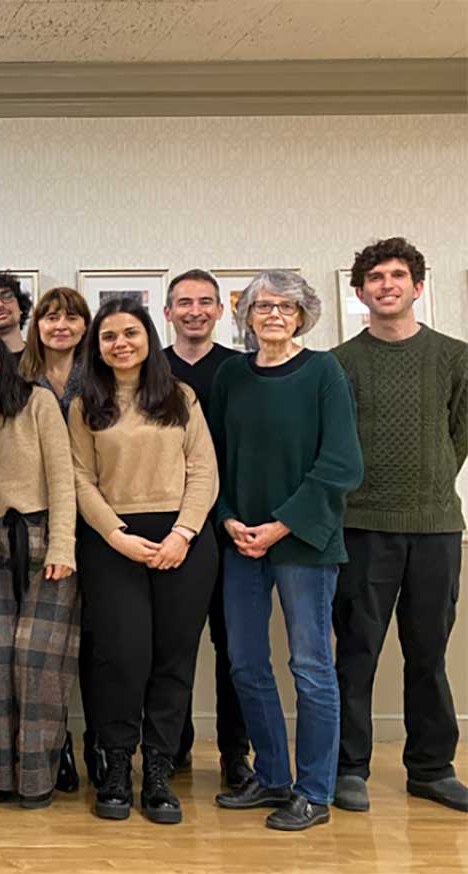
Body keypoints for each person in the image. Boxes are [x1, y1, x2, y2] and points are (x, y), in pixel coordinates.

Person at [210, 271, 362, 831]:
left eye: (286, 306)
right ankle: (272, 777)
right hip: (239, 542)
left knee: (311, 667)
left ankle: (314, 792)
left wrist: (278, 525)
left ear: (302, 316)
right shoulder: (231, 376)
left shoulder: (324, 372)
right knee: (246, 663)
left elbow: (343, 464)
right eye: (262, 305)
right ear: (246, 315)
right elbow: (214, 458)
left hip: (305, 540)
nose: (274, 314)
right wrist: (227, 518)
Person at [69, 297, 218, 826]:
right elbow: (79, 479)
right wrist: (115, 534)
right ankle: (115, 770)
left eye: (130, 333)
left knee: (172, 662)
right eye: (109, 336)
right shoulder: (86, 403)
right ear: (98, 347)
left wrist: (183, 532)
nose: (120, 344)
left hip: (184, 541)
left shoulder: (179, 397)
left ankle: (157, 772)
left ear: (148, 338)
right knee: (120, 659)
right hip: (113, 543)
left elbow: (203, 471)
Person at [332, 238, 468, 815]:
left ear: (417, 286)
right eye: (375, 278)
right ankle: (348, 768)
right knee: (357, 652)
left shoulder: (456, 357)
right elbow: (333, 446)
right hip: (361, 527)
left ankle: (432, 769)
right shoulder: (338, 364)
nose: (386, 285)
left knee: (428, 652)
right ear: (360, 291)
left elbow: (460, 435)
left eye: (398, 276)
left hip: (435, 527)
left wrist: (432, 482)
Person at [0, 314, 78, 810]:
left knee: (35, 659)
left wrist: (64, 547)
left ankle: (37, 777)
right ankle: (0, 771)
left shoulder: (37, 400)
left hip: (47, 542)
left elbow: (63, 479)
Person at [161, 269, 251, 787]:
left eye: (205, 302)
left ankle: (235, 754)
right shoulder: (151, 370)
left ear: (220, 311)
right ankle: (173, 746)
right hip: (171, 530)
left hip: (234, 528)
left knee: (235, 648)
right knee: (174, 647)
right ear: (168, 313)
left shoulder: (242, 370)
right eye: (184, 302)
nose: (194, 310)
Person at [17, 284, 91, 789]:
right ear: (36, 325)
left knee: (85, 645)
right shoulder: (17, 378)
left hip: (97, 520)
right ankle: (52, 745)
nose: (60, 326)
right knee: (38, 649)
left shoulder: (102, 376)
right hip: (32, 522)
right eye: (50, 317)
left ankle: (93, 749)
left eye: (71, 317)